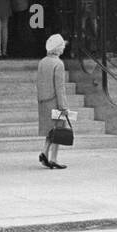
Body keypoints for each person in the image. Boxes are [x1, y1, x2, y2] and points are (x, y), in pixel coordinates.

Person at [37, 33, 72, 170]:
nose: (63, 48)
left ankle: (44, 153)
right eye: (62, 46)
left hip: (43, 101)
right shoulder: (58, 64)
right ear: (58, 48)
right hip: (54, 102)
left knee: (50, 131)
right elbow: (60, 88)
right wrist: (64, 106)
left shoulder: (42, 62)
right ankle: (53, 158)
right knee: (58, 131)